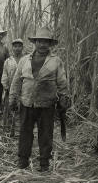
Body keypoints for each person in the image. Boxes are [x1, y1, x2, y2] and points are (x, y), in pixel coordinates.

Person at [9, 27, 69, 172]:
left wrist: (64, 98)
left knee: (46, 134)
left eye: (46, 42)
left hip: (47, 104)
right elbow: (17, 81)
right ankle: (22, 161)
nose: (42, 45)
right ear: (35, 42)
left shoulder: (56, 61)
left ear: (50, 44)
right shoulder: (24, 60)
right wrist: (13, 98)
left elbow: (62, 83)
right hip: (27, 103)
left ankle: (44, 163)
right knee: (25, 133)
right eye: (40, 41)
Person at [1, 38, 24, 131]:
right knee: (9, 109)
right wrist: (6, 87)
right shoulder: (8, 61)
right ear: (12, 48)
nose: (17, 48)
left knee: (21, 110)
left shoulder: (26, 60)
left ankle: (20, 130)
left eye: (19, 46)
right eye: (15, 46)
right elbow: (4, 74)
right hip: (10, 89)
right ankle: (8, 130)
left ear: (22, 47)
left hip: (23, 90)